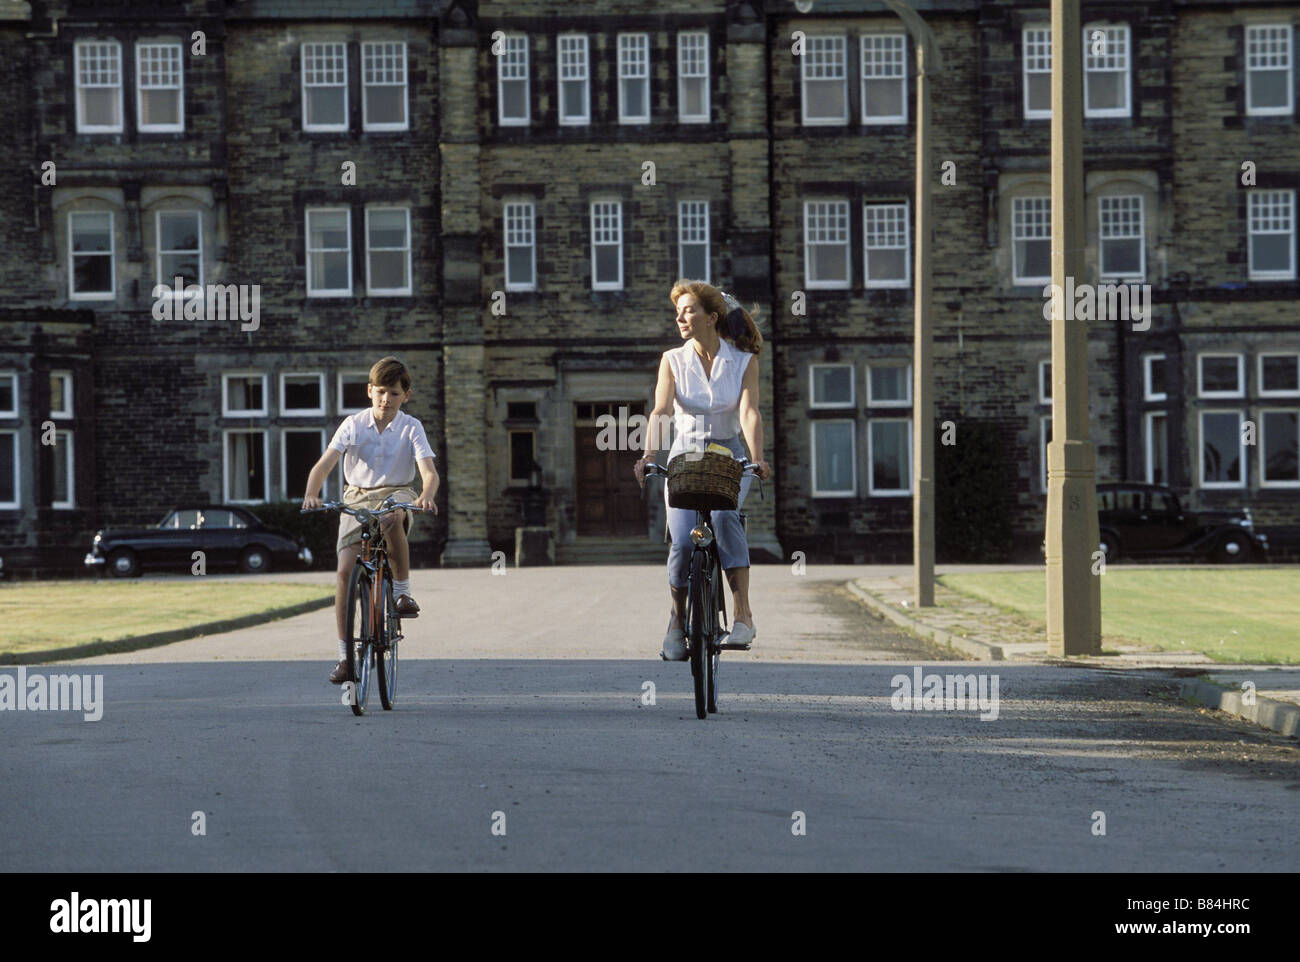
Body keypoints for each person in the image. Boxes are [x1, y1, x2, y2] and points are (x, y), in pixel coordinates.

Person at [634, 280, 772, 660]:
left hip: (729, 457)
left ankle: (743, 615)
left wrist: (757, 458)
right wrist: (648, 455)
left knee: (727, 519)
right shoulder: (672, 360)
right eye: (677, 311)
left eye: (689, 309)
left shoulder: (743, 362)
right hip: (685, 457)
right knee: (681, 541)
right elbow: (662, 411)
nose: (680, 317)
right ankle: (677, 622)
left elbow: (748, 412)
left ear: (712, 317)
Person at [301, 356, 439, 684]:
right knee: (344, 572)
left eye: (393, 393)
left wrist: (426, 495)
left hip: (398, 492)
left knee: (392, 518)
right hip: (357, 496)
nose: (385, 399)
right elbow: (324, 465)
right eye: (380, 392)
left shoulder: (411, 427)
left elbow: (429, 473)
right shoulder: (352, 425)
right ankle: (345, 657)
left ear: (405, 395)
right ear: (369, 391)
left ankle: (402, 593)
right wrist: (311, 493)